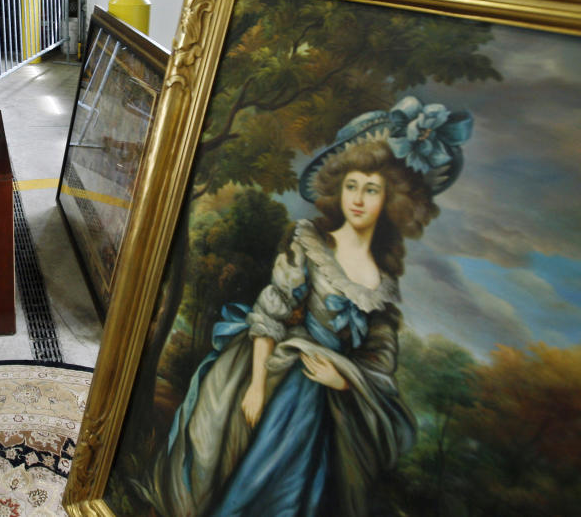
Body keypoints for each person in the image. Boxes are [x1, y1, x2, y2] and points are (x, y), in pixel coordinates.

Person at [146, 97, 473, 516]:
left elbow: (380, 359)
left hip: (331, 405)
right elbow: (272, 312)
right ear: (338, 189)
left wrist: (345, 380)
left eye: (371, 190)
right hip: (281, 373)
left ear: (391, 200)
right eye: (352, 185)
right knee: (258, 474)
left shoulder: (384, 284)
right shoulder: (310, 243)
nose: (358, 198)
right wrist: (257, 387)